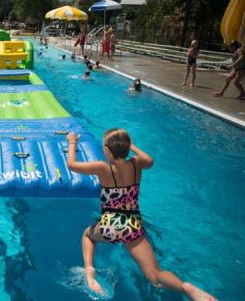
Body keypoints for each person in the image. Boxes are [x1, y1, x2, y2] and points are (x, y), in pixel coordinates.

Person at [65, 129, 217, 301]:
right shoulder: (137, 164)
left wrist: (72, 142)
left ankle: (90, 271)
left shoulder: (102, 168)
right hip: (133, 225)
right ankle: (185, 287)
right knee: (155, 276)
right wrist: (133, 147)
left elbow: (71, 165)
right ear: (127, 147)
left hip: (111, 224)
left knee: (87, 235)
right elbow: (150, 160)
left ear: (107, 149)